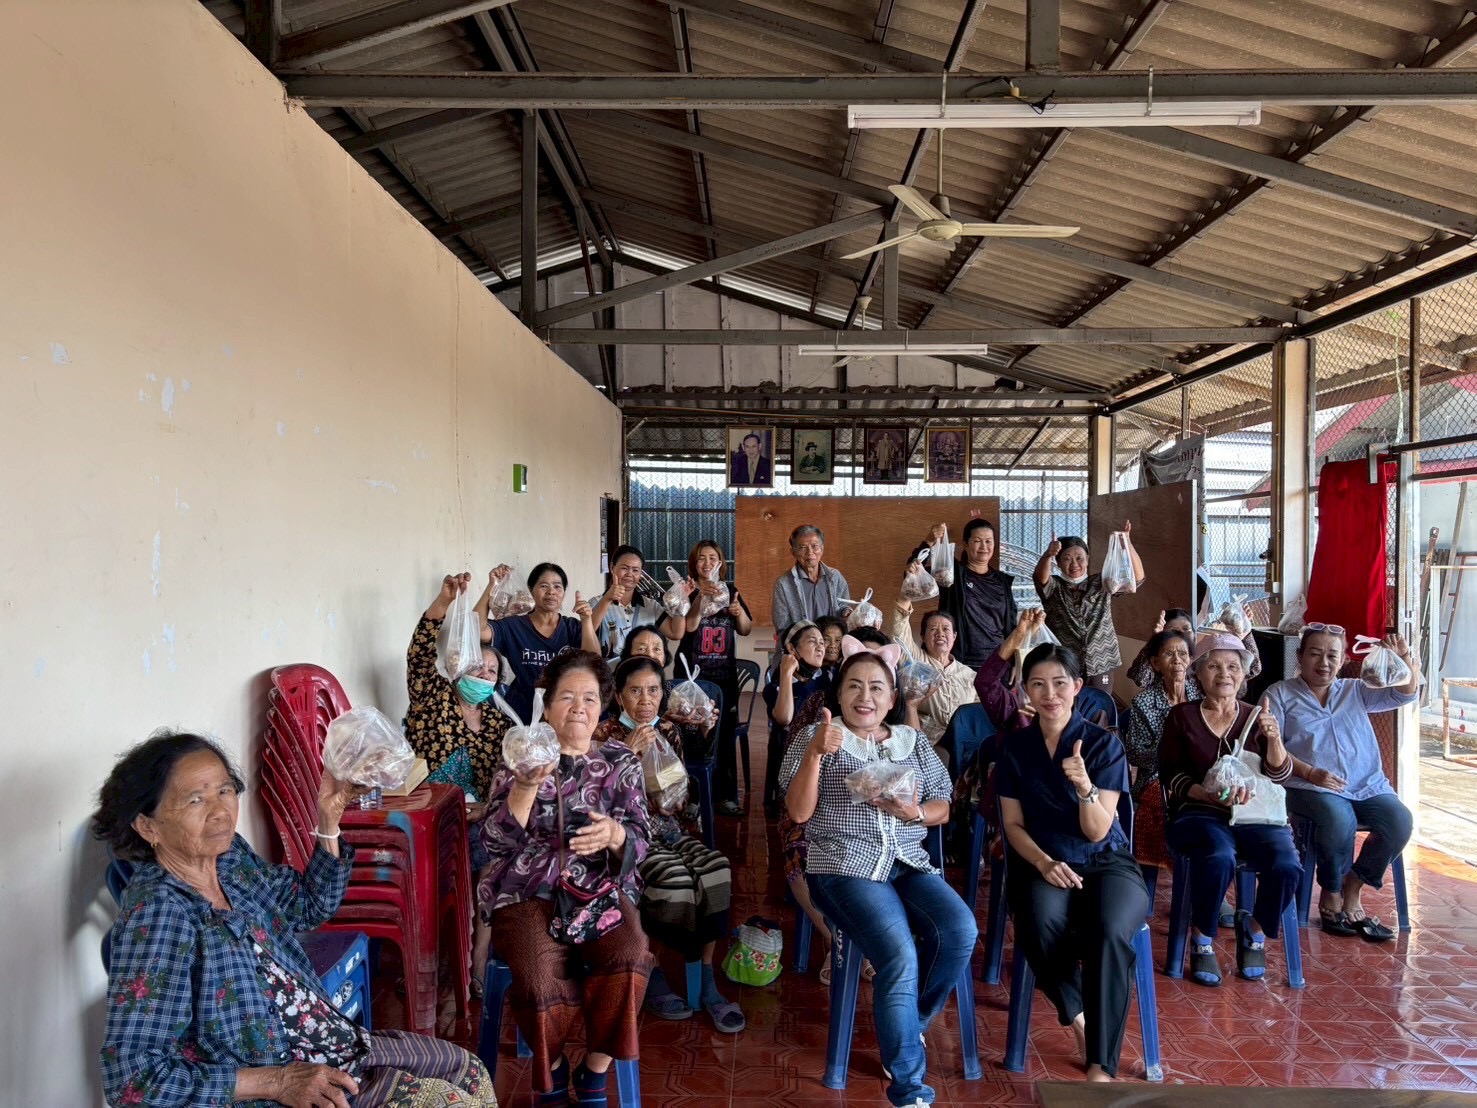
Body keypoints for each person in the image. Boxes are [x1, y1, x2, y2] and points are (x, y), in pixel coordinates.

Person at [95, 732, 495, 1108]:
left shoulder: (229, 860)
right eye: (195, 800)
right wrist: (276, 1081)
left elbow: (308, 906)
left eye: (224, 790)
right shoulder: (159, 918)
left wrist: (328, 821)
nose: (220, 811)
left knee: (469, 1073)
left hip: (332, 1045)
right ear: (147, 826)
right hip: (281, 1086)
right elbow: (132, 1080)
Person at [782, 648, 977, 1108]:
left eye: (875, 688)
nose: (864, 696)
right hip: (843, 867)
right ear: (839, 694)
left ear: (891, 698)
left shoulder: (912, 740)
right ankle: (910, 1087)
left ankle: (908, 1024)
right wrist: (814, 753)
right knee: (899, 954)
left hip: (907, 861)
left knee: (960, 930)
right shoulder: (818, 735)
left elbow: (943, 807)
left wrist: (914, 811)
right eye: (853, 686)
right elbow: (798, 812)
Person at [479, 651, 653, 1104]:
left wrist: (615, 833)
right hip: (527, 890)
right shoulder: (520, 756)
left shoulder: (621, 762)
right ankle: (552, 1069)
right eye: (568, 696)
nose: (580, 706)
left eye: (591, 698)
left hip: (600, 889)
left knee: (632, 956)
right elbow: (494, 841)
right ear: (549, 704)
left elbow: (641, 837)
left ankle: (595, 1069)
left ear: (603, 708)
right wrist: (524, 784)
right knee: (538, 975)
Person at [997, 644, 1148, 1083]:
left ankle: (1100, 1066)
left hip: (1106, 862)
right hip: (1046, 860)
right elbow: (1012, 824)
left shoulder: (1103, 746)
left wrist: (1084, 786)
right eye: (1038, 684)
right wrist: (1044, 863)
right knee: (1036, 924)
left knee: (1109, 931)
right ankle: (1080, 1016)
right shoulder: (1015, 748)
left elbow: (1099, 831)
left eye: (1060, 683)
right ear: (1025, 690)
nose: (1050, 694)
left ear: (1078, 687)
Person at [592, 657, 745, 1032]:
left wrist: (668, 783)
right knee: (674, 878)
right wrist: (627, 755)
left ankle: (704, 975)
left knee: (716, 869)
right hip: (628, 837)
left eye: (654, 690)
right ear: (619, 696)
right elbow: (598, 802)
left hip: (669, 829)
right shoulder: (603, 735)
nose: (646, 700)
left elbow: (674, 801)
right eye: (635, 691)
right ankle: (654, 967)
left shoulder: (669, 732)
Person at [1159, 632, 1299, 987]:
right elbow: (1170, 774)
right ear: (1199, 674)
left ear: (1244, 674)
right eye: (1214, 666)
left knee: (1286, 863)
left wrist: (1275, 739)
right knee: (1219, 854)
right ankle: (1203, 938)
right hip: (1198, 813)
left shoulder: (1258, 717)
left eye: (1233, 667)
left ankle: (1254, 929)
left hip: (1255, 815)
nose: (1224, 674)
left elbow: (1278, 775)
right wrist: (1207, 796)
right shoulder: (1182, 717)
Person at [1265, 626, 1419, 941]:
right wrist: (1311, 773)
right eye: (1315, 653)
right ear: (1300, 656)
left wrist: (1403, 659)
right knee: (1338, 818)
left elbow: (1404, 692)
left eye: (1332, 655)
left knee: (1399, 820)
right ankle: (1331, 889)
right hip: (1308, 787)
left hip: (1367, 785)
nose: (1323, 662)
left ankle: (1355, 884)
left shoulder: (1355, 689)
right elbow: (1272, 752)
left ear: (1343, 659)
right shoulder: (1279, 694)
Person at [406, 573, 512, 805]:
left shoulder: (500, 723)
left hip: (479, 817)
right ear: (459, 667)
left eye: (492, 671)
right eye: (478, 667)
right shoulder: (433, 697)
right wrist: (444, 602)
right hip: (429, 811)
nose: (485, 674)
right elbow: (419, 655)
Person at [667, 540, 753, 817]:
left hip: (724, 677)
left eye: (712, 558)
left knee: (724, 736)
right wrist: (700, 599)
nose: (707, 563)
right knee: (691, 735)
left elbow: (746, 629)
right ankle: (691, 798)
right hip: (691, 678)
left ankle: (726, 796)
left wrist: (738, 614)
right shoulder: (686, 591)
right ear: (694, 563)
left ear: (720, 562)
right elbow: (690, 626)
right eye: (701, 558)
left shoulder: (732, 591)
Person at [486, 563, 600, 724]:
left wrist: (587, 621)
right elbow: (477, 630)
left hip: (566, 715)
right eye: (544, 586)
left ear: (564, 593)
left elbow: (595, 663)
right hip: (523, 714)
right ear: (531, 590)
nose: (551, 592)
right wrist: (491, 587)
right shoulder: (514, 626)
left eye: (557, 587)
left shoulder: (572, 627)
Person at [1035, 526, 1143, 690]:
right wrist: (1048, 554)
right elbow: (1040, 578)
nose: (1074, 564)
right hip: (1065, 663)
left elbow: (1136, 578)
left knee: (1100, 705)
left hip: (1102, 663)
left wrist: (1126, 542)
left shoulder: (1101, 583)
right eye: (1067, 559)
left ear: (1088, 559)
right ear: (1058, 562)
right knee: (1067, 706)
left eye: (1079, 558)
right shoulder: (1054, 587)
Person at [908, 519, 1018, 668]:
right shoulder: (951, 572)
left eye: (988, 541)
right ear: (965, 544)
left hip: (997, 663)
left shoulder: (1002, 581)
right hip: (959, 663)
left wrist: (1014, 662)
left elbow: (1010, 626)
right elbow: (913, 575)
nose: (984, 547)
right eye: (978, 541)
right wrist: (929, 541)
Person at [889, 599, 980, 756]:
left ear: (954, 636)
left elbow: (978, 716)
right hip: (927, 744)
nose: (940, 634)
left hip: (965, 749)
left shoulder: (970, 675)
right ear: (923, 637)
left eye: (946, 629)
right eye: (933, 629)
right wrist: (905, 598)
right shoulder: (915, 660)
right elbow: (899, 631)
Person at [762, 620, 832, 814]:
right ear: (792, 649)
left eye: (821, 642)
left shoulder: (829, 678)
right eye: (812, 641)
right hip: (790, 758)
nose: (820, 647)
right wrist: (786, 673)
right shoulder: (775, 687)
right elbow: (784, 718)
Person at [1127, 607, 1260, 689]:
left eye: (1186, 629)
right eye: (1173, 630)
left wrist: (1244, 634)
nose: (1181, 635)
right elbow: (1139, 678)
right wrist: (1154, 640)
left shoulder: (1205, 657)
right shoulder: (1161, 660)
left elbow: (1253, 668)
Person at [771, 524, 850, 635]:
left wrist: (847, 613)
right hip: (802, 646)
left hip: (833, 644)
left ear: (822, 549)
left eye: (814, 546)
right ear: (793, 552)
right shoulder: (783, 584)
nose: (809, 552)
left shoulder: (835, 577)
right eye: (803, 547)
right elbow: (782, 625)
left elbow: (844, 606)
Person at [590, 545, 666, 658]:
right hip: (609, 672)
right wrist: (607, 599)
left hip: (643, 669)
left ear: (640, 573)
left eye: (635, 570)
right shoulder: (596, 603)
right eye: (624, 568)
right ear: (612, 568)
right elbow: (585, 633)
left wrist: (679, 605)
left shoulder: (651, 605)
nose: (630, 574)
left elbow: (675, 633)